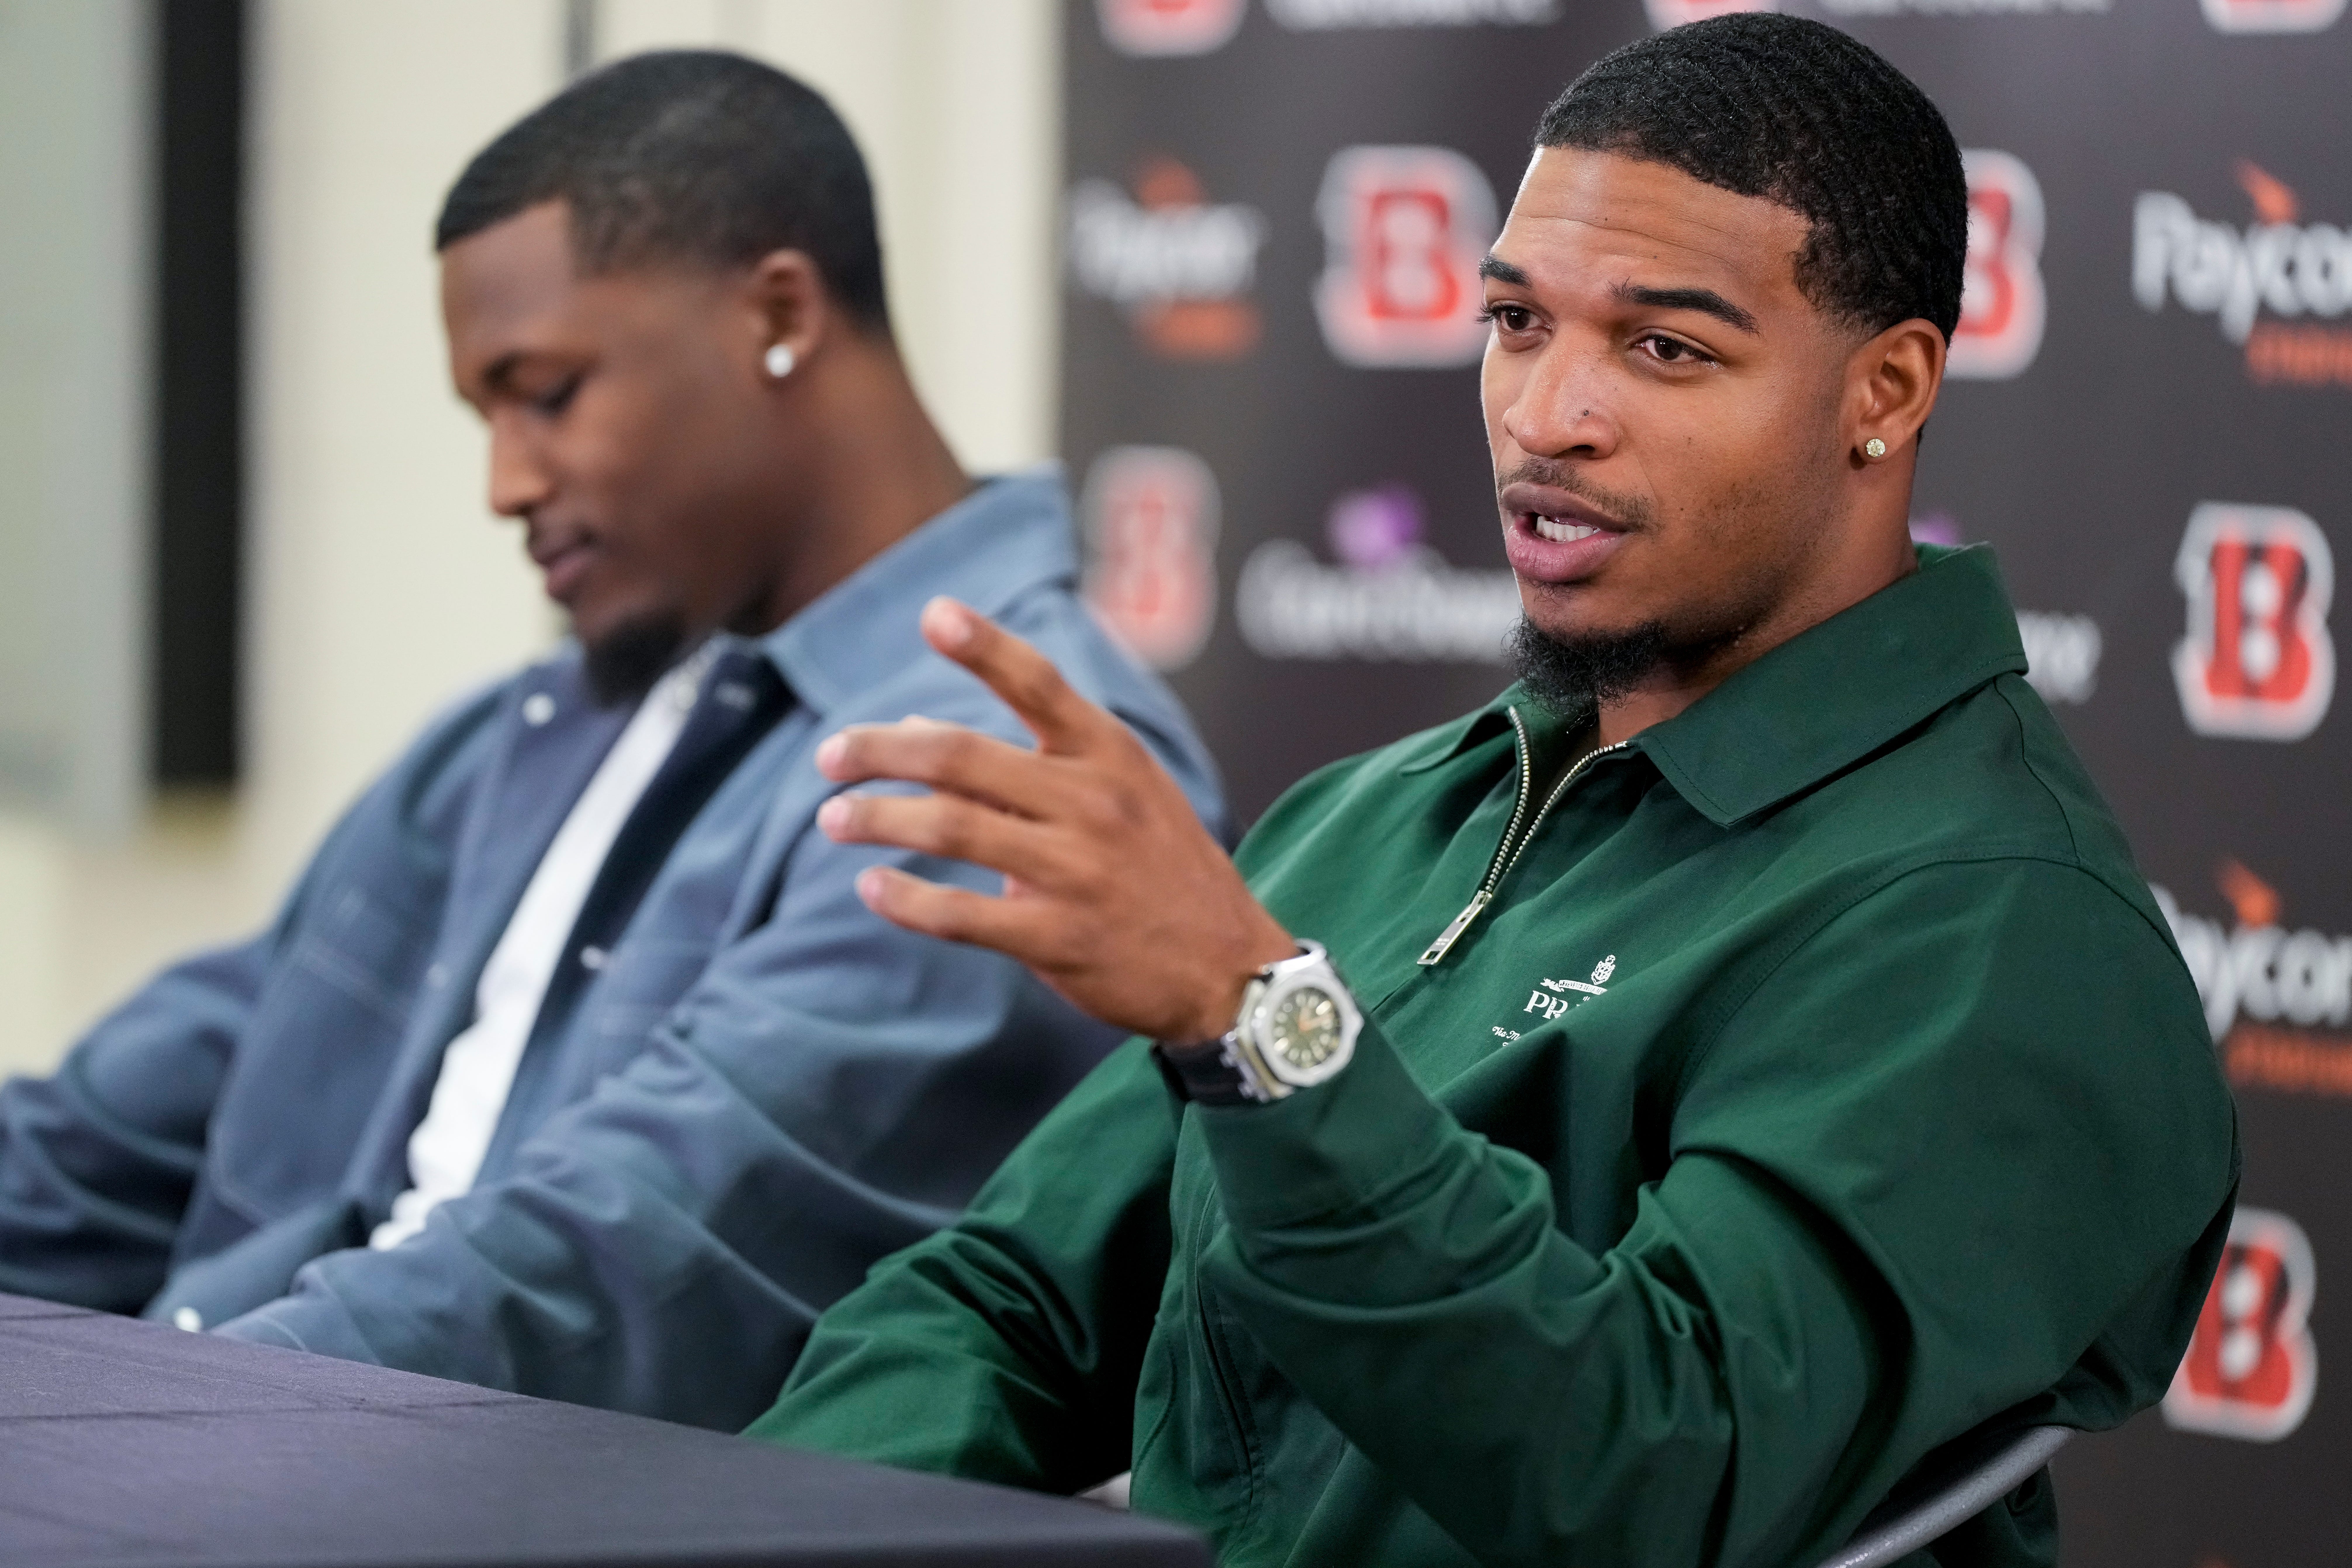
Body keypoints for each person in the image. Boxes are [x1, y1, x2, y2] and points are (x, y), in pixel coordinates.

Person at [746, 17, 2237, 1567]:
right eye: (1518, 321)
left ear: (1886, 389)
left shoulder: (1997, 926)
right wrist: (752, 1533)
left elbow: (1649, 1469)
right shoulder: (1375, 816)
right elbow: (1012, 1301)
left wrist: (1266, 1026)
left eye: (1663, 348)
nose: (1544, 415)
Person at [0, 51, 1222, 1432]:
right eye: (486, 415)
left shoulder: (997, 760)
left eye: (549, 392)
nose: (506, 482)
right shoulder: (551, 718)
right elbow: (120, 1128)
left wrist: (148, 1432)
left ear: (776, 314)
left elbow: (615, 1269)